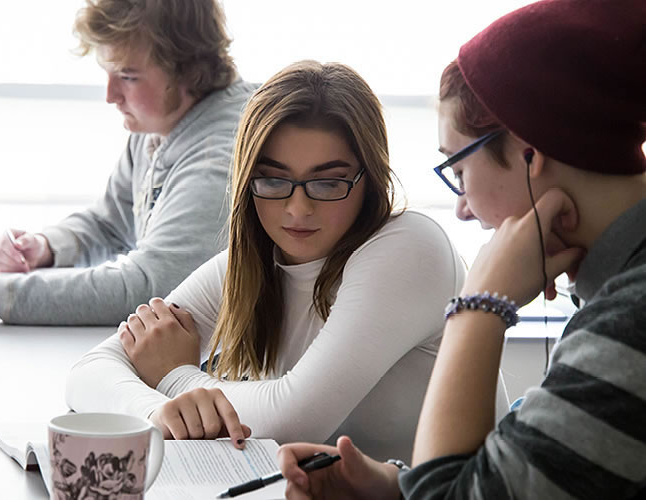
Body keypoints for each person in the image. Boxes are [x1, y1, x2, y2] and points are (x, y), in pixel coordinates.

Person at [277, 1, 646, 498]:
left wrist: (479, 305)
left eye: (459, 171)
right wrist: (393, 487)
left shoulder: (630, 325)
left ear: (527, 153)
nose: (463, 210)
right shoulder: (617, 301)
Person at [65, 60, 467, 461]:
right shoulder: (252, 265)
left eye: (327, 182)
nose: (297, 209)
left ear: (369, 180)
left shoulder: (411, 247)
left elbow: (293, 418)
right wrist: (153, 411)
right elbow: (92, 368)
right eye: (273, 180)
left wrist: (173, 378)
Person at [0, 0, 257, 325]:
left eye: (128, 77)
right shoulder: (161, 123)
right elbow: (111, 223)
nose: (110, 95)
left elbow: (148, 287)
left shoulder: (220, 152)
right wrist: (48, 246)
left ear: (188, 70)